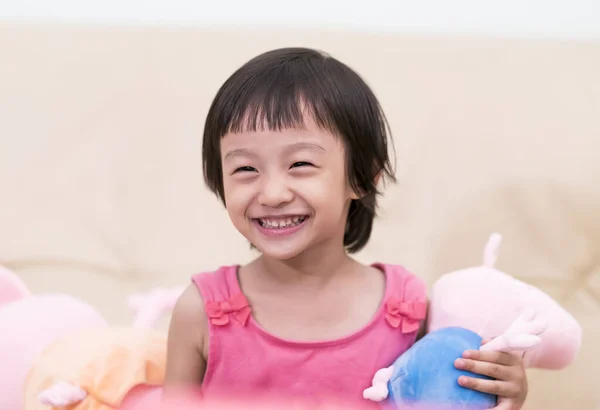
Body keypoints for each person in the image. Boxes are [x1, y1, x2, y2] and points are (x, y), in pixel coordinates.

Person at [164, 47, 528, 409]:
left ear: (362, 177)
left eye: (300, 164)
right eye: (245, 169)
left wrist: (503, 393)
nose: (272, 193)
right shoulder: (198, 312)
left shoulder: (408, 310)